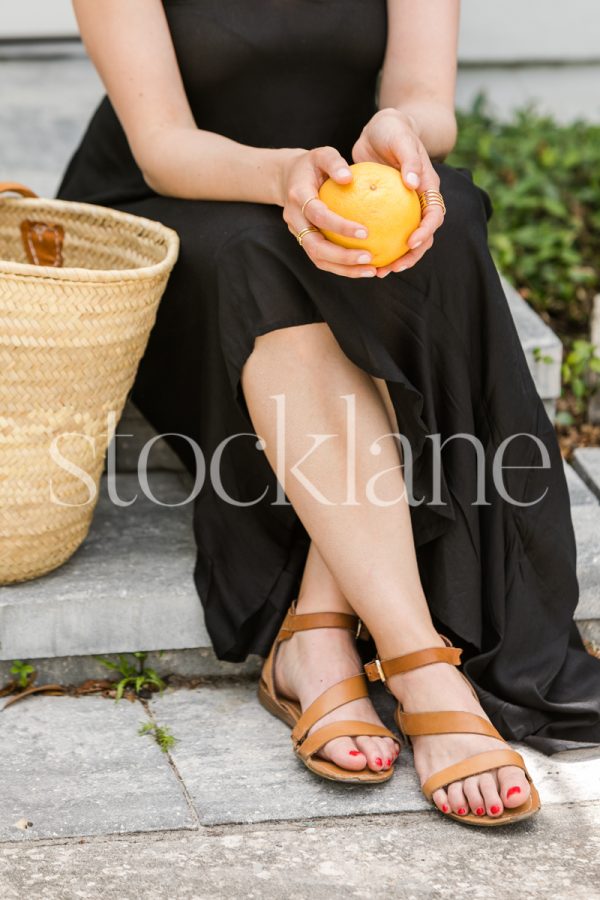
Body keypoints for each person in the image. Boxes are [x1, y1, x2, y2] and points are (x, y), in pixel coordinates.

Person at [58, 0, 600, 826]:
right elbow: (165, 146)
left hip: (349, 188)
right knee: (264, 257)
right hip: (186, 205)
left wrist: (398, 135)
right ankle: (423, 667)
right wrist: (286, 182)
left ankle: (317, 633)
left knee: (446, 216)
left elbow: (426, 101)